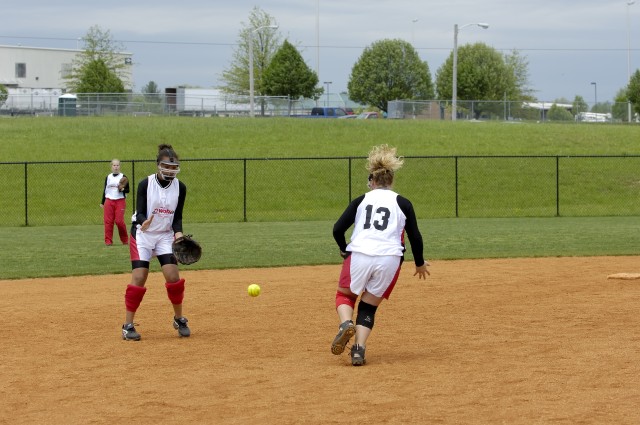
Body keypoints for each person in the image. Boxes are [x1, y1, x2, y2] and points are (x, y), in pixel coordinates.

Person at [331, 144, 429, 366]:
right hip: (390, 259)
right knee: (368, 307)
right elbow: (415, 236)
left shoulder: (361, 200)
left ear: (372, 181)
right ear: (391, 181)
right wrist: (420, 263)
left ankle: (346, 324)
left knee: (345, 296)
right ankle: (359, 349)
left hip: (360, 254)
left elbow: (337, 229)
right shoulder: (403, 203)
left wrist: (343, 248)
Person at [121, 144, 190, 341]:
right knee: (139, 276)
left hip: (165, 235)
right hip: (143, 234)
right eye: (166, 166)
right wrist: (144, 221)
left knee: (173, 276)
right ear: (158, 165)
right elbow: (140, 212)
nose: (170, 170)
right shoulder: (146, 184)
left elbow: (177, 217)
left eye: (173, 167)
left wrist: (178, 235)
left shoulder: (180, 187)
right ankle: (127, 326)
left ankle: (179, 319)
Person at [100, 159, 129, 246]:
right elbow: (105, 190)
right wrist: (102, 202)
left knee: (119, 221)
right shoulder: (108, 177)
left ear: (120, 166)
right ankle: (108, 241)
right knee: (108, 221)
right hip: (109, 200)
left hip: (120, 200)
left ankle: (125, 240)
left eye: (117, 165)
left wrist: (122, 189)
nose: (116, 167)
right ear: (111, 166)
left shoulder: (123, 176)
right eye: (114, 165)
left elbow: (128, 190)